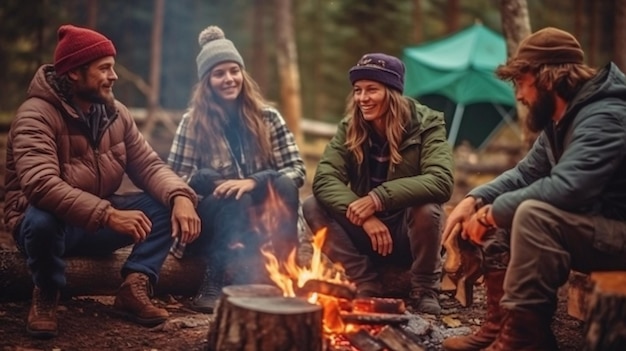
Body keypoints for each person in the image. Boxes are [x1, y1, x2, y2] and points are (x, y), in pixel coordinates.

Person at [4, 24, 201, 339]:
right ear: (74, 74)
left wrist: (180, 196)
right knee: (41, 220)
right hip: (49, 224)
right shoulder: (35, 115)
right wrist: (109, 214)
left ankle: (134, 286)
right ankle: (46, 291)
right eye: (105, 68)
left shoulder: (115, 113)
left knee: (161, 206)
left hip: (94, 221)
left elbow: (149, 165)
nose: (114, 76)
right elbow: (40, 184)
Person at [441, 27, 626, 351]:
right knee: (509, 206)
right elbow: (526, 173)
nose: (519, 96)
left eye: (521, 83)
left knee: (529, 213)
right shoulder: (564, 117)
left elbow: (569, 188)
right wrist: (476, 199)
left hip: (618, 232)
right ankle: (501, 328)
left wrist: (490, 215)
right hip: (597, 228)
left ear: (546, 78)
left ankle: (525, 341)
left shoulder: (607, 115)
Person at [302, 53, 454, 315]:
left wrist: (378, 198)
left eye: (372, 90)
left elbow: (441, 181)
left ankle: (426, 288)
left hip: (408, 233)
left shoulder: (426, 123)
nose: (362, 98)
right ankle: (365, 280)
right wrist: (366, 217)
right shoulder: (350, 126)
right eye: (358, 90)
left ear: (392, 92)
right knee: (313, 206)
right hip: (367, 234)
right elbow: (325, 178)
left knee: (427, 208)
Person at [167, 26, 305, 313]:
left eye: (234, 70)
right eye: (219, 74)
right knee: (229, 192)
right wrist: (215, 182)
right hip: (216, 220)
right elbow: (175, 178)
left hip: (263, 219)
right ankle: (214, 281)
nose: (229, 79)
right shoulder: (193, 121)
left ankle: (282, 270)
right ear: (207, 81)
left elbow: (296, 170)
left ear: (243, 73)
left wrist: (255, 181)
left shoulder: (268, 117)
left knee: (284, 185)